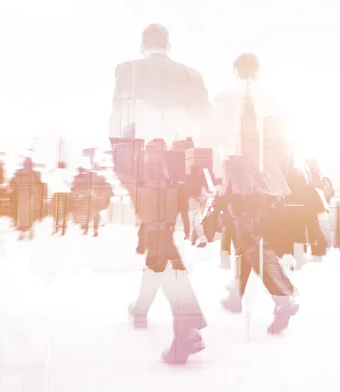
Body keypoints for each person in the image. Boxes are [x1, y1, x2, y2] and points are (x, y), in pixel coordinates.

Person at [113, 24, 210, 364]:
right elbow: (206, 128)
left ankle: (185, 327)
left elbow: (118, 123)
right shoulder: (192, 76)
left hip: (148, 166)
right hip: (182, 166)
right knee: (160, 240)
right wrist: (200, 179)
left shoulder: (128, 71)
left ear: (143, 45)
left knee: (159, 241)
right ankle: (142, 307)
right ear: (169, 45)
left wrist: (126, 175)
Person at [216, 53, 299, 334]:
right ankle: (235, 294)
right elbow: (285, 146)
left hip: (239, 180)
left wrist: (215, 180)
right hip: (267, 181)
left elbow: (217, 141)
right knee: (247, 236)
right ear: (259, 72)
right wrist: (277, 179)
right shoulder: (273, 100)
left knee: (250, 239)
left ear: (234, 71)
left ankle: (283, 297)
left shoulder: (226, 99)